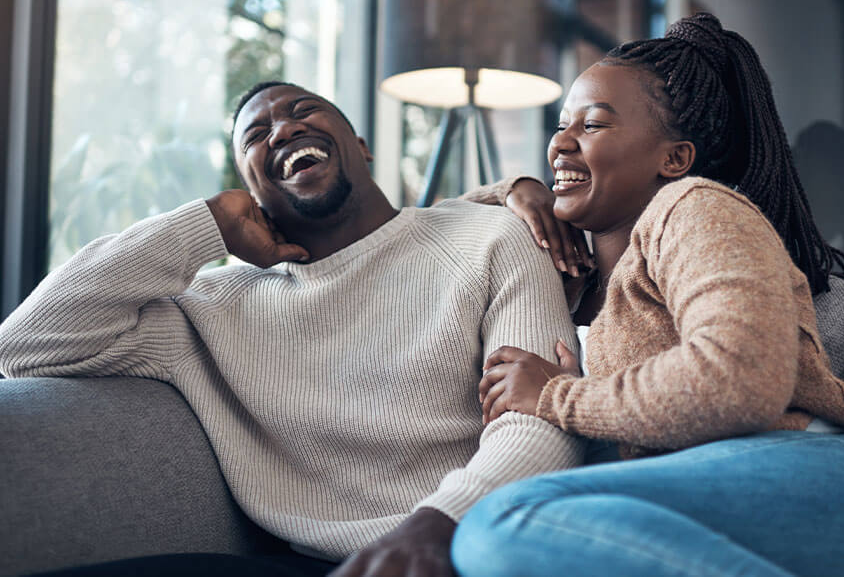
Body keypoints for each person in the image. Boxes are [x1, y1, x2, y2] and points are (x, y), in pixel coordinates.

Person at [0, 82, 584, 576]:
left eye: (302, 112)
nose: (280, 131)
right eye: (255, 137)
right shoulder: (212, 308)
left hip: (469, 541)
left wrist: (437, 526)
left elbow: (541, 422)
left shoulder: (490, 238)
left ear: (359, 144)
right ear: (250, 192)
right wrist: (206, 224)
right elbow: (23, 346)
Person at [451, 13, 844, 577]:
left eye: (592, 126)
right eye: (561, 124)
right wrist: (514, 191)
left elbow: (741, 379)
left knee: (503, 523)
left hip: (843, 490)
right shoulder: (565, 274)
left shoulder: (694, 208)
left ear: (675, 159)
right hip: (718, 514)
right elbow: (427, 236)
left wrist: (561, 397)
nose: (560, 144)